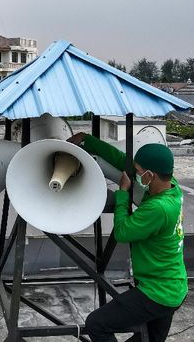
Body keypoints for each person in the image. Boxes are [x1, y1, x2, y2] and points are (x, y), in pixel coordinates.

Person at [68, 133, 187, 342]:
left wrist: (122, 193)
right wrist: (89, 140)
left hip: (157, 292)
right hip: (174, 287)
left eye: (139, 173)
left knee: (97, 324)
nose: (135, 175)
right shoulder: (172, 186)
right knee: (148, 339)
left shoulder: (158, 208)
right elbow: (122, 160)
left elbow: (123, 232)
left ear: (151, 176)